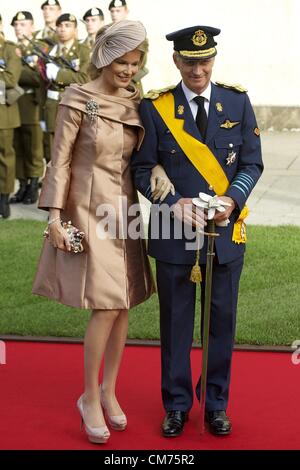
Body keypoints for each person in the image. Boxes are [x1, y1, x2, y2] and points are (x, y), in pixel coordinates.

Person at [32, 20, 174, 445]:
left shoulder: (136, 102)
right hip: (87, 207)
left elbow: (147, 153)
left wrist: (161, 169)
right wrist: (54, 217)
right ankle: (89, 397)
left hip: (124, 207)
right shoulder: (78, 98)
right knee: (107, 305)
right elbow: (59, 160)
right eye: (122, 62)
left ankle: (110, 390)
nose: (129, 71)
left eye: (135, 63)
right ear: (104, 57)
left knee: (126, 301)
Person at [131, 25, 264, 437]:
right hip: (175, 233)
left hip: (224, 233)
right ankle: (176, 405)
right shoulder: (157, 107)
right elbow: (140, 168)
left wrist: (232, 201)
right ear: (176, 61)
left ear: (213, 60)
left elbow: (252, 163)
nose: (197, 69)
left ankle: (217, 406)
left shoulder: (236, 101)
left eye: (204, 61)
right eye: (189, 61)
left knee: (220, 322)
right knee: (175, 324)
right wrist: (172, 204)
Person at [42, 13, 90, 163]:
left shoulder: (83, 51)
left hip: (72, 106)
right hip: (51, 106)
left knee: (73, 150)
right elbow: (40, 83)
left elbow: (85, 78)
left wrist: (59, 74)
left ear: (75, 30)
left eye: (68, 26)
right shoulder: (49, 51)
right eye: (60, 26)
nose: (63, 29)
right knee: (52, 152)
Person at [10, 11, 44, 205]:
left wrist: (14, 73)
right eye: (16, 25)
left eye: (23, 24)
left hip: (31, 104)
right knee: (19, 147)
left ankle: (33, 184)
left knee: (33, 147)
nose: (18, 28)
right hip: (14, 104)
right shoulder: (11, 48)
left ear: (31, 26)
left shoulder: (39, 48)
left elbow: (38, 77)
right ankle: (22, 185)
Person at [0, 14, 22, 218]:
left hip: (3, 113)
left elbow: (10, 78)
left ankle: (4, 199)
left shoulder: (9, 49)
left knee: (5, 156)